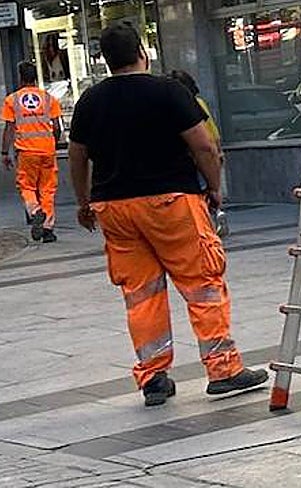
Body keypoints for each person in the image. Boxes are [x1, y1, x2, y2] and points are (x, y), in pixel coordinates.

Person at [68, 21, 267, 407]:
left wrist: (83, 202)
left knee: (141, 295)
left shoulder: (90, 100)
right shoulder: (168, 91)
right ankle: (223, 369)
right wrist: (213, 187)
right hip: (171, 202)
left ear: (106, 61)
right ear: (142, 52)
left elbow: (77, 157)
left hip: (115, 209)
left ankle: (154, 377)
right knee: (202, 283)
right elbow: (204, 146)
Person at [0, 61, 63, 243]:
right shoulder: (49, 98)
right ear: (36, 77)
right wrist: (53, 143)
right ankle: (48, 230)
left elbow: (9, 128)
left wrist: (5, 152)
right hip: (47, 150)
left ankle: (36, 211)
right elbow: (57, 127)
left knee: (27, 186)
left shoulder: (12, 100)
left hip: (26, 151)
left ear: (21, 77)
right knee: (48, 189)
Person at [169, 69, 228, 236]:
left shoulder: (182, 106)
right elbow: (212, 130)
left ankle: (206, 223)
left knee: (199, 194)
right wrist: (218, 150)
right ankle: (215, 216)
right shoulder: (198, 103)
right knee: (209, 191)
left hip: (193, 157)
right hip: (206, 154)